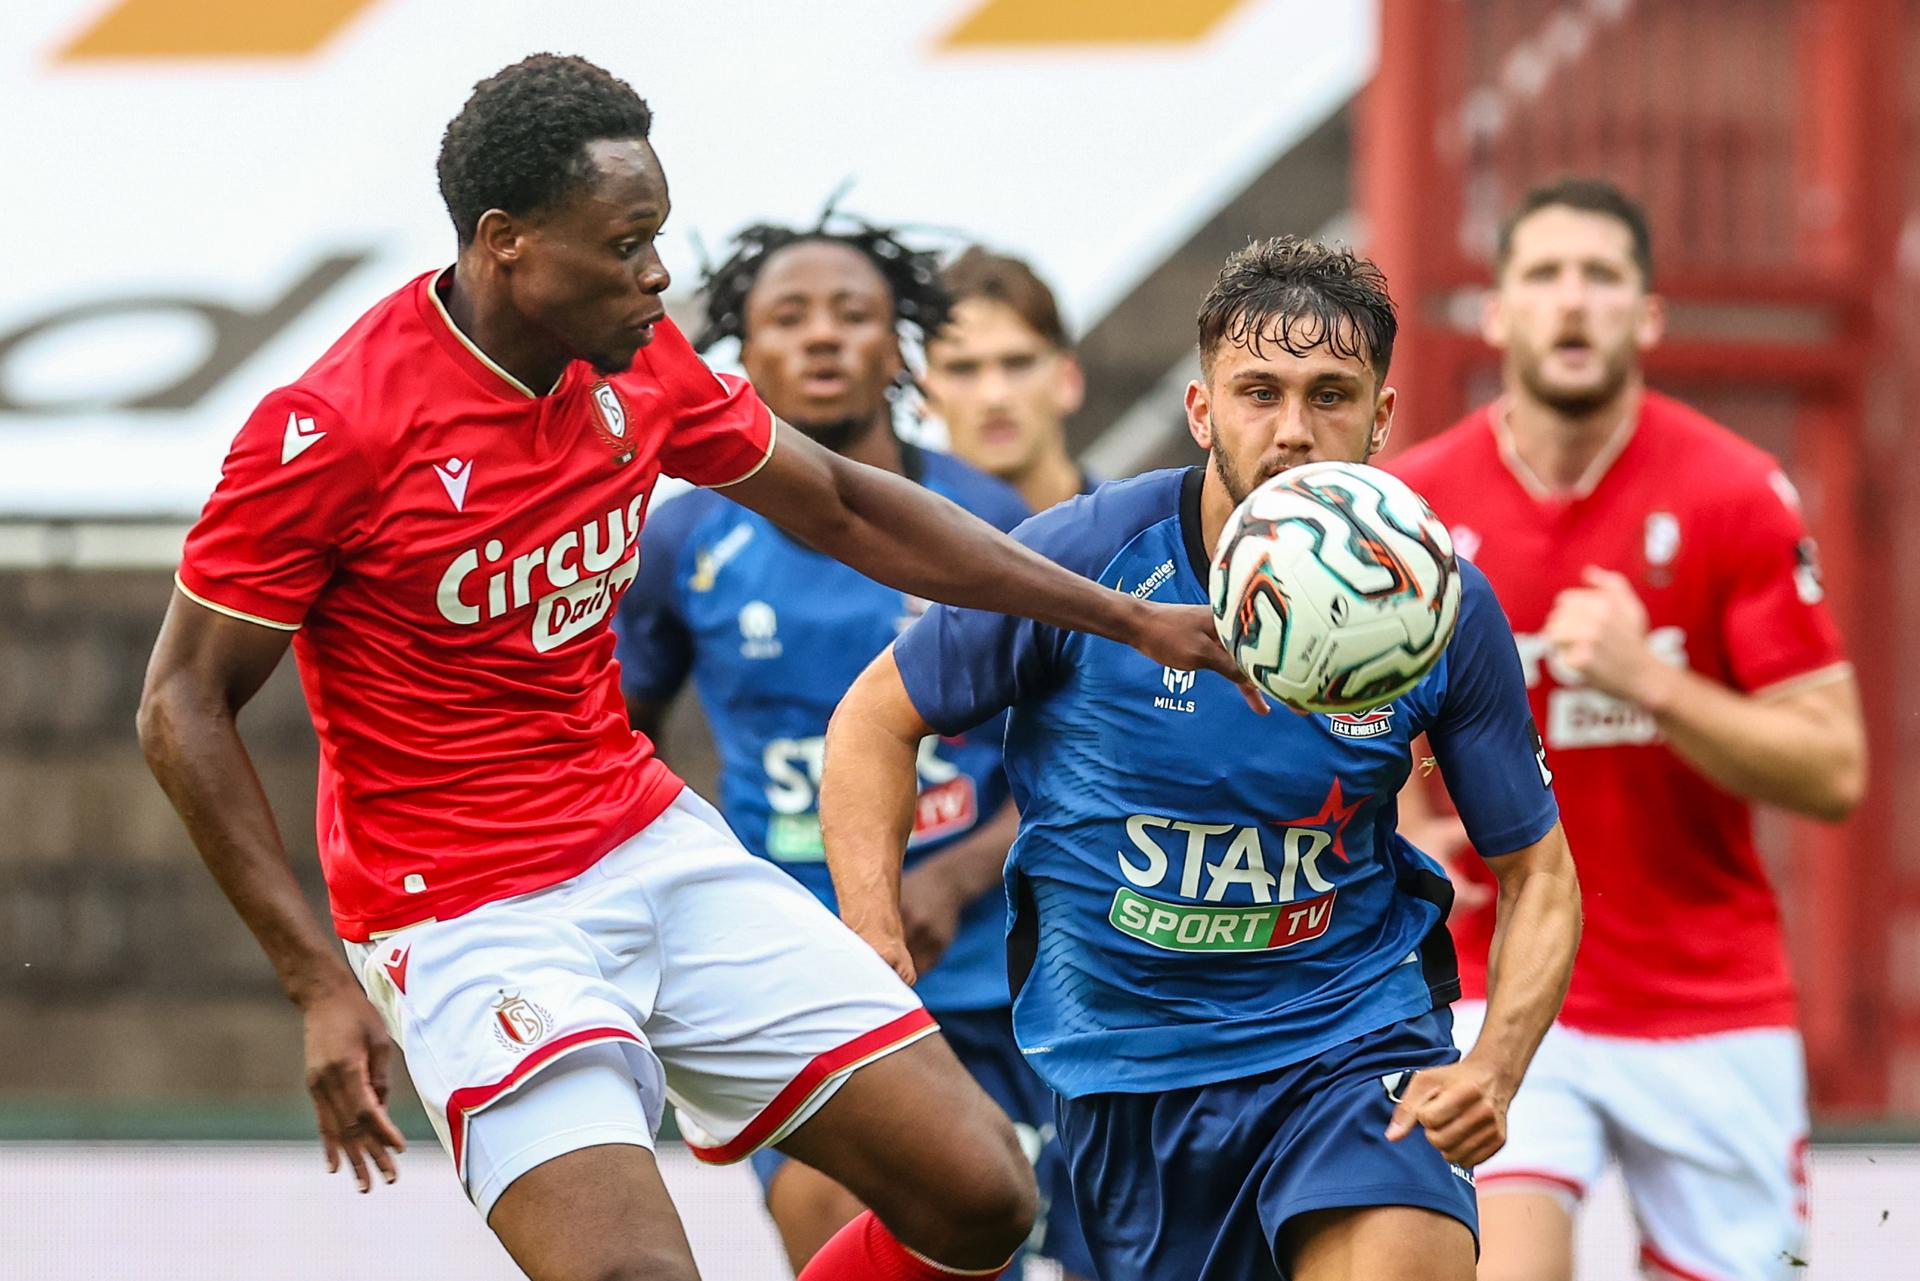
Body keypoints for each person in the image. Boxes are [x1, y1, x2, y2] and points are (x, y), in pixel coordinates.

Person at [134, 54, 1250, 1281]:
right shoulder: (332, 427)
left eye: (656, 236)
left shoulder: (636, 359)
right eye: (627, 244)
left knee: (984, 1195)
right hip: (463, 917)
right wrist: (313, 984)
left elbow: (841, 504)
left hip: (645, 840)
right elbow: (182, 705)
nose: (658, 273)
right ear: (506, 243)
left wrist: (1123, 616)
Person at [818, 236, 1583, 1281]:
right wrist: (873, 932)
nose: (1293, 432)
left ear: (1383, 417)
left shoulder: (1439, 601)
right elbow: (873, 717)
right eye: (1259, 393)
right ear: (1200, 411)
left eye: (1331, 396)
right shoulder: (1083, 560)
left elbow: (1540, 873)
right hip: (1128, 1076)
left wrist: (1495, 1068)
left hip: (1352, 1047)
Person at [1388, 177, 1867, 1281]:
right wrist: (1405, 823)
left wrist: (1652, 681)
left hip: (1707, 991)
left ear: (1646, 317)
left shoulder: (1735, 492)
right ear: (1498, 313)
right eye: (1544, 276)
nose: (1573, 302)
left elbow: (1834, 770)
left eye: (1601, 278)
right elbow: (1358, 740)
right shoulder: (1413, 509)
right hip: (1490, 982)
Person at [613, 213, 1095, 1279]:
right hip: (790, 974)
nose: (823, 337)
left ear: (898, 348)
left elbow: (1081, 749)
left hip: (1001, 975)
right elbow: (604, 739)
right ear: (741, 350)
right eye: (790, 317)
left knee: (1006, 1246)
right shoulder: (686, 539)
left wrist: (965, 868)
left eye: (854, 315)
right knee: (840, 1228)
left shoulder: (985, 518)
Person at [923, 247, 1092, 513]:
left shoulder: (1148, 536)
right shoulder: (886, 550)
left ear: (1067, 379)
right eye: (963, 369)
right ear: (925, 392)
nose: (994, 396)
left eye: (1018, 363)